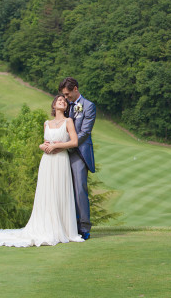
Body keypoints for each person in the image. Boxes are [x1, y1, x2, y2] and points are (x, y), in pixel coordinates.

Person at [0, 94, 84, 247]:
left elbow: (74, 142)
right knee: (47, 192)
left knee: (59, 191)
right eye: (59, 100)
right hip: (47, 161)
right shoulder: (47, 123)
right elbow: (43, 143)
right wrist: (43, 147)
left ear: (66, 106)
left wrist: (56, 146)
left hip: (60, 160)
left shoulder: (68, 121)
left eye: (64, 101)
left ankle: (62, 228)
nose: (62, 102)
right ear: (54, 105)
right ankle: (46, 225)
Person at [57, 77, 96, 240]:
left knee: (80, 189)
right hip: (62, 153)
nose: (66, 98)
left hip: (79, 152)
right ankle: (67, 225)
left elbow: (85, 132)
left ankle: (84, 228)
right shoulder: (66, 105)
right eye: (63, 95)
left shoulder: (88, 106)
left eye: (68, 94)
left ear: (75, 89)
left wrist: (67, 144)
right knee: (64, 189)